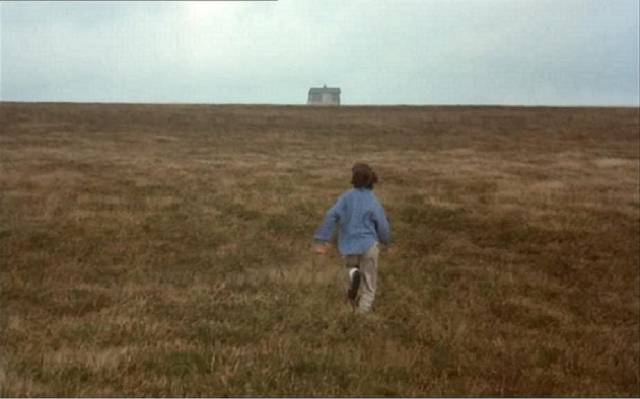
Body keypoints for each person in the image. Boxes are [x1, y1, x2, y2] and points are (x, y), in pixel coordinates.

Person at [313, 163, 391, 313]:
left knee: (351, 268)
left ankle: (352, 274)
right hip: (368, 245)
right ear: (372, 181)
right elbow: (382, 223)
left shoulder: (346, 197)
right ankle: (362, 313)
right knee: (369, 283)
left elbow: (331, 215)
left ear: (353, 179)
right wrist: (386, 240)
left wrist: (322, 238)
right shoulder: (373, 200)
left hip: (348, 246)